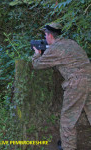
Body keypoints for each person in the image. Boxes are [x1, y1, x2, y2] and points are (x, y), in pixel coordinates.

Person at [32, 22, 91, 150]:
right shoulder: (71, 43)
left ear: (49, 36)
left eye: (45, 35)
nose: (45, 38)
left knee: (68, 119)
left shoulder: (55, 49)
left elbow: (37, 65)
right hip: (89, 80)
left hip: (76, 84)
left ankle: (68, 147)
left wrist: (37, 53)